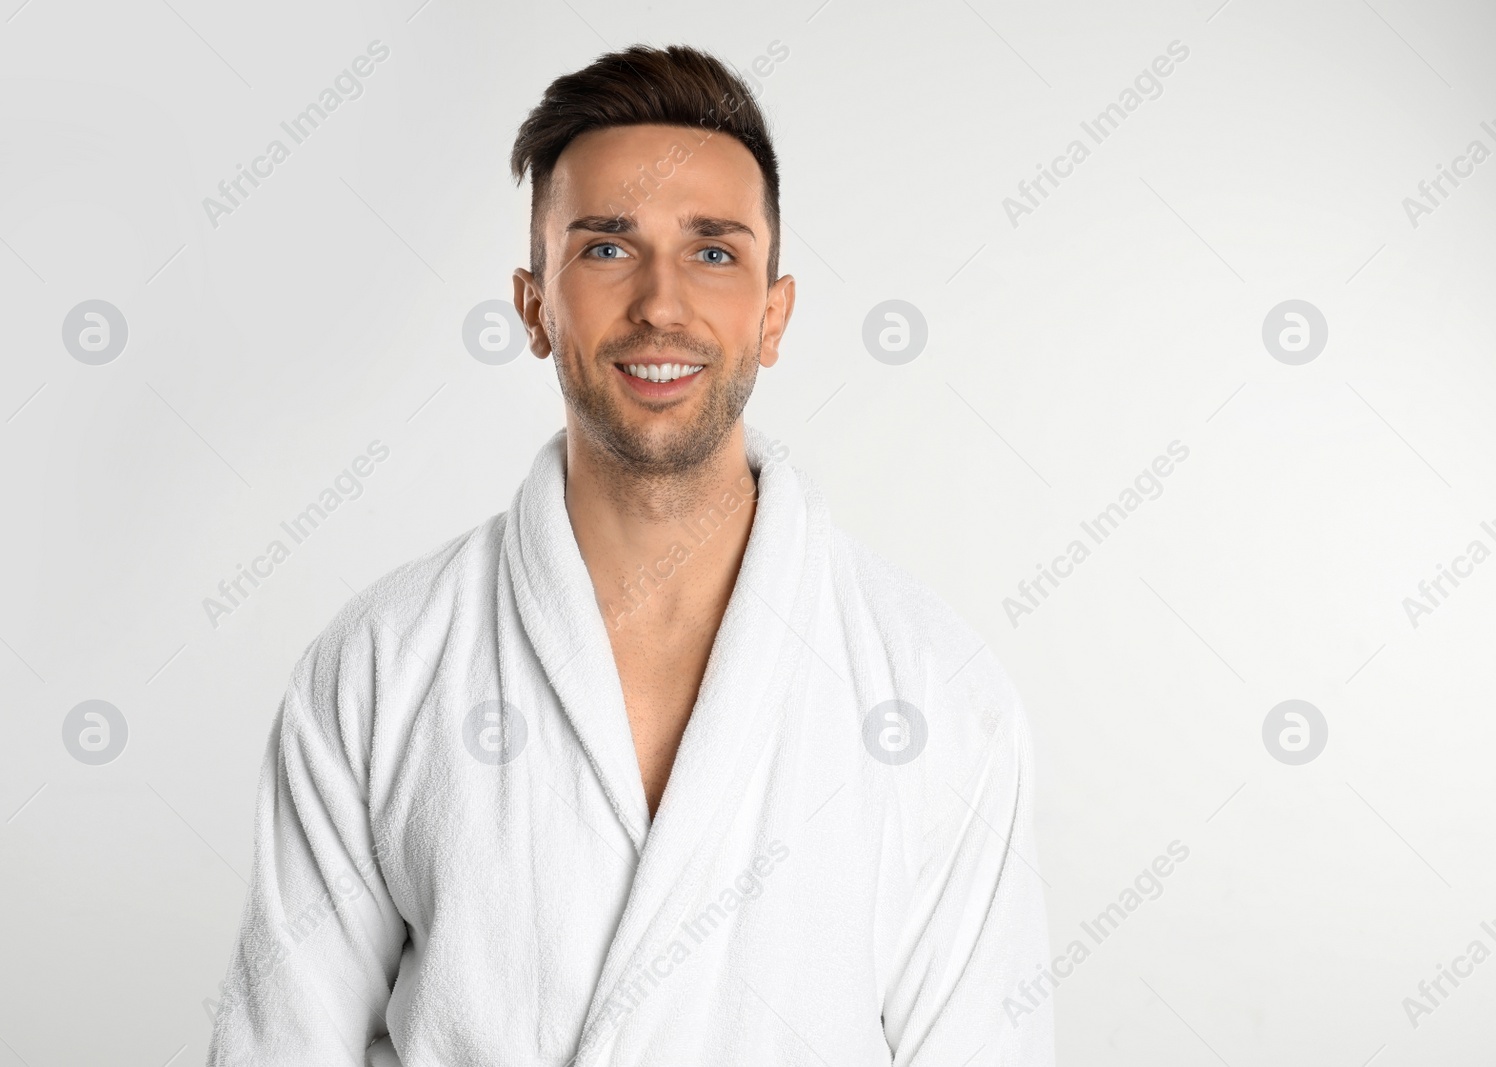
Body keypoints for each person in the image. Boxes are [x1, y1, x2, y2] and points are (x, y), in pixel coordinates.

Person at [207, 43, 1053, 1066]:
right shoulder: (381, 665)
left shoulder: (932, 689)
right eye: (606, 248)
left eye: (713, 251)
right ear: (532, 306)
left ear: (772, 315)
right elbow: (280, 1045)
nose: (660, 302)